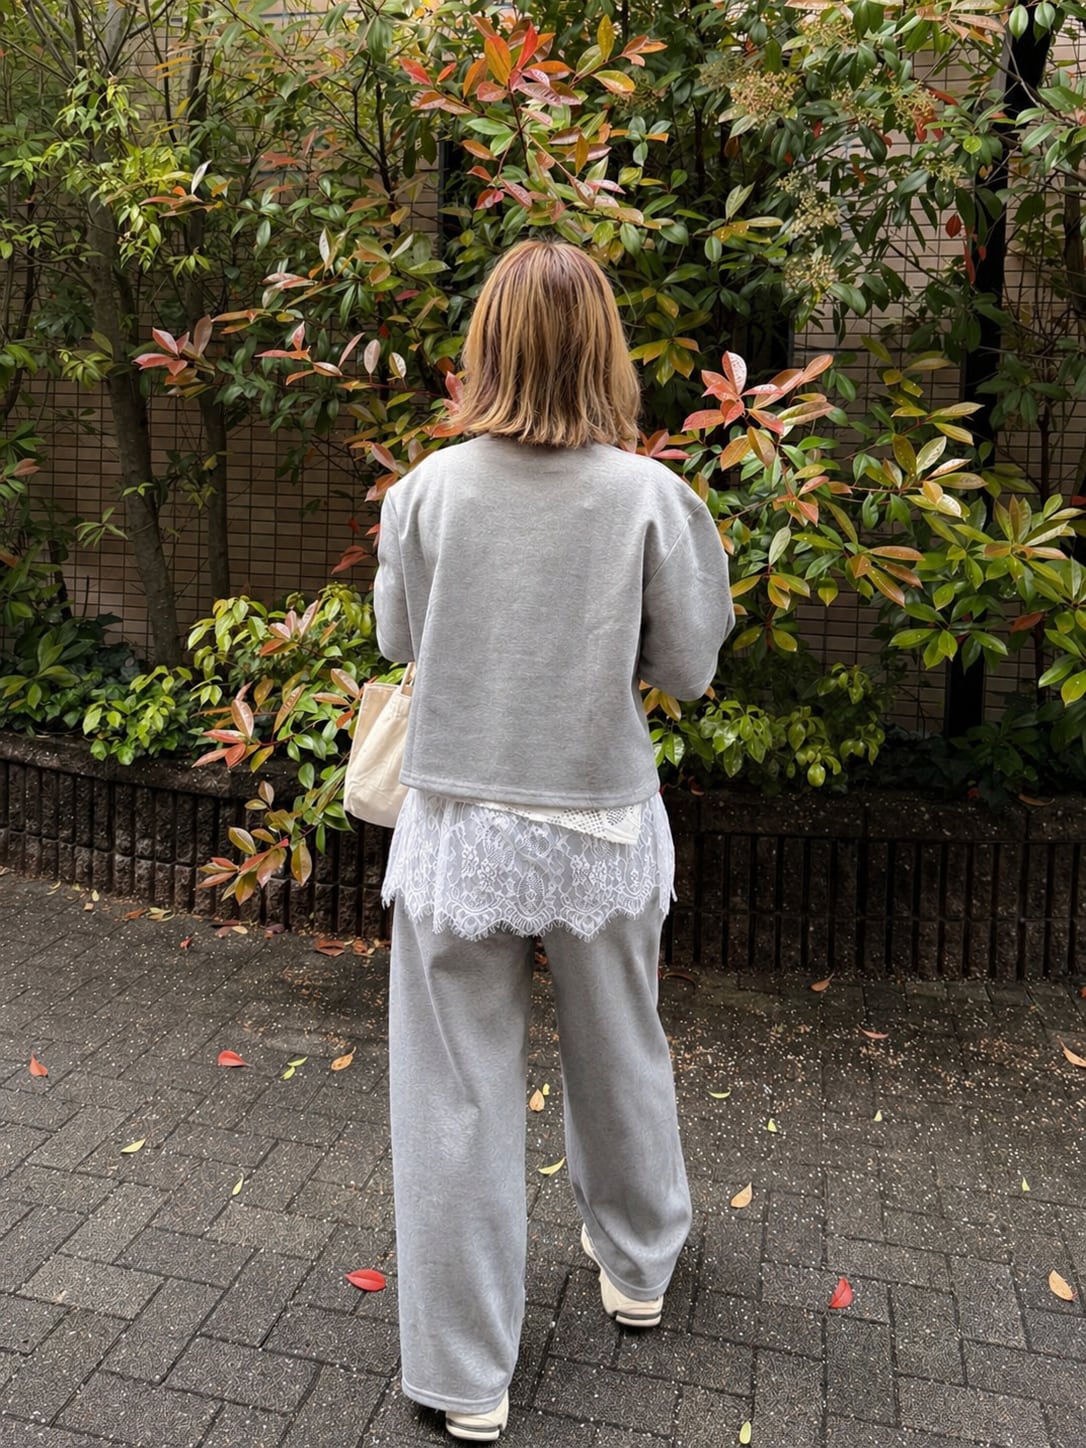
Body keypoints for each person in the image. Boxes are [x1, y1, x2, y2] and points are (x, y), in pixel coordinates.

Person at [373, 238, 734, 1442]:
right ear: (606, 353)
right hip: (599, 815)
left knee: (454, 1092)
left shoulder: (426, 491)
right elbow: (688, 665)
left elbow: (397, 639)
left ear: (485, 349)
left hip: (460, 822)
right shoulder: (650, 497)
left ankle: (465, 1376)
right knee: (621, 1042)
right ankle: (638, 1263)